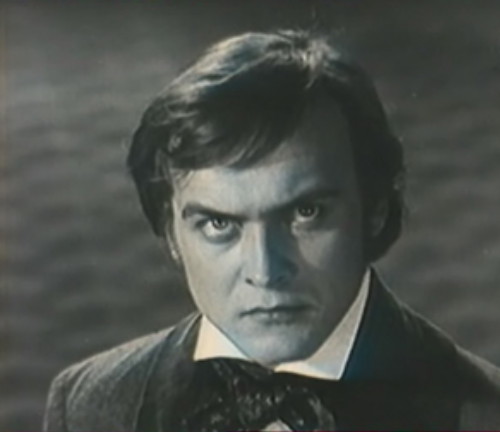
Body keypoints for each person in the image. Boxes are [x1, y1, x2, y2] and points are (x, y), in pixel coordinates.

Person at [43, 29, 500, 431]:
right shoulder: (86, 407)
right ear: (171, 235)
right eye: (219, 224)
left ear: (375, 210)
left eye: (306, 213)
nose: (265, 271)